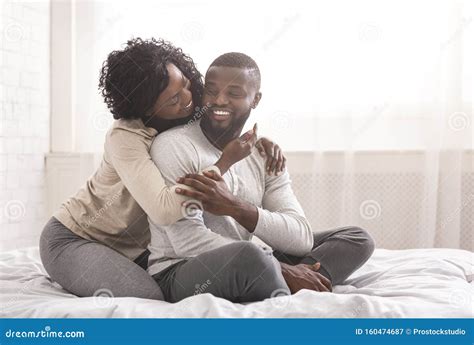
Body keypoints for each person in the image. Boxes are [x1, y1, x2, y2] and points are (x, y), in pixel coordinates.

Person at [39, 39, 285, 301]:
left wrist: (259, 143)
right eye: (174, 98)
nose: (189, 99)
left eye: (187, 85)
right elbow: (164, 209)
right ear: (148, 107)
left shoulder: (186, 110)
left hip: (137, 249)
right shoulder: (125, 137)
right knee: (148, 299)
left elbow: (227, 119)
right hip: (78, 238)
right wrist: (224, 163)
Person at [148, 52, 375, 303]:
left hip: (246, 260)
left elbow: (300, 238)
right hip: (179, 270)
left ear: (255, 99)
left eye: (234, 94)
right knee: (253, 259)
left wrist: (235, 207)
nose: (219, 100)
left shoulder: (264, 155)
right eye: (211, 91)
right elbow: (186, 242)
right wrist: (282, 268)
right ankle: (287, 279)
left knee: (357, 239)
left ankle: (294, 281)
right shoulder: (173, 146)